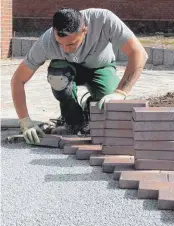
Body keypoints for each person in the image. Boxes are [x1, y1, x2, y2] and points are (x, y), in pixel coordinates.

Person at [10, 8, 148, 145]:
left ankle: (90, 108)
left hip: (100, 67)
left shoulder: (104, 20)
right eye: (60, 43)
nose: (66, 49)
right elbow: (18, 79)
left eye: (71, 43)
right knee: (57, 77)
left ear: (85, 31)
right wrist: (25, 121)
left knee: (109, 102)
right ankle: (72, 121)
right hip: (67, 70)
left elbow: (139, 53)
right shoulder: (46, 41)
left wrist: (120, 92)